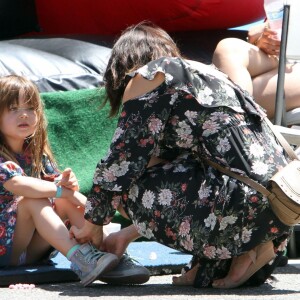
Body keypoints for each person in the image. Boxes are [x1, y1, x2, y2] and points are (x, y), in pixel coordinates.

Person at [70, 21, 292, 289]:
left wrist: (94, 222)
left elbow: (121, 161)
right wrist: (127, 235)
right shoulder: (207, 75)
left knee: (125, 184)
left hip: (241, 201)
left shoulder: (150, 75)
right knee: (205, 279)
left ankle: (243, 249)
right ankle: (247, 251)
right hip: (281, 205)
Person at [0, 75, 121, 287]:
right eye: (13, 109)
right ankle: (82, 260)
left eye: (30, 108)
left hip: (31, 249)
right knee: (33, 200)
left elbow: (58, 188)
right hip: (5, 250)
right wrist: (64, 192)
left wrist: (66, 184)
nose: (24, 115)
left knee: (62, 200)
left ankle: (107, 251)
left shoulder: (35, 154)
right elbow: (17, 184)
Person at [212, 20, 300, 119]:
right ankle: (238, 121)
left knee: (236, 102)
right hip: (282, 58)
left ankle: (238, 121)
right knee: (229, 48)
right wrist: (265, 35)